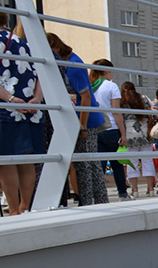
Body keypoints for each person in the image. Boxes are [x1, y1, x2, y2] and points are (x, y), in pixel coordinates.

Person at [0, 8, 44, 215]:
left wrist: (9, 99)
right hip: (31, 109)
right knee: (27, 161)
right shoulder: (22, 42)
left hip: (2, 110)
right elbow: (42, 72)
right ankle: (26, 206)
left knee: (6, 161)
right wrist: (37, 99)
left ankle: (14, 210)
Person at [46, 32, 110, 206]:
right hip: (83, 119)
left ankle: (88, 202)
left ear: (57, 48)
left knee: (84, 164)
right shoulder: (71, 62)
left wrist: (81, 125)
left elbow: (86, 97)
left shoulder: (72, 66)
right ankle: (98, 200)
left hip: (84, 120)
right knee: (90, 162)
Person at [90, 59, 131, 200]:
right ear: (107, 71)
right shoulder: (111, 86)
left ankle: (98, 195)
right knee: (117, 164)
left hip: (96, 128)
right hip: (112, 127)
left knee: (99, 165)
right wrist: (123, 133)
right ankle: (123, 194)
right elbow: (116, 112)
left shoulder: (91, 86)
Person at [118, 81, 156, 197]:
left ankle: (135, 189)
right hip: (145, 133)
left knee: (132, 162)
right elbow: (152, 113)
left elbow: (120, 118)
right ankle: (150, 188)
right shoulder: (144, 98)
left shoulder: (122, 101)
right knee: (147, 160)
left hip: (129, 134)